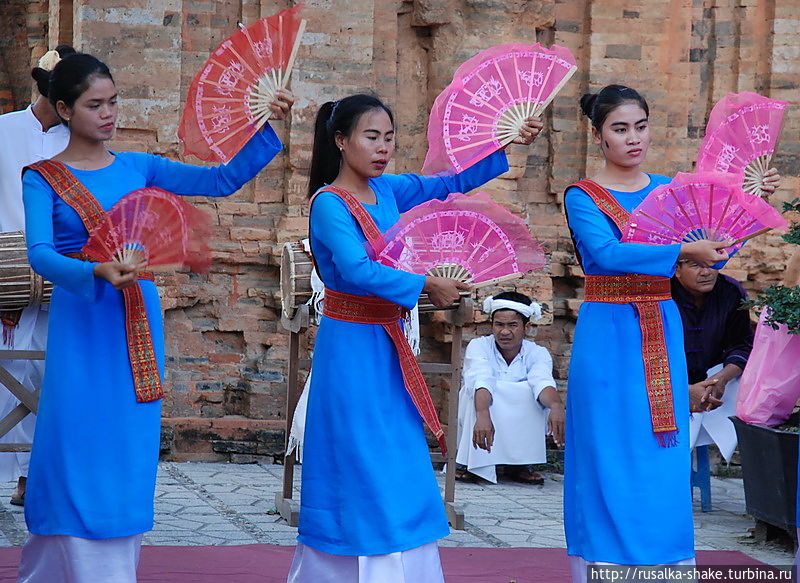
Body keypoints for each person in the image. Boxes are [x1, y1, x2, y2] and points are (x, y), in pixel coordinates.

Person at [17, 52, 293, 583]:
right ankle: (59, 557)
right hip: (84, 313)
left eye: (113, 101)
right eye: (94, 104)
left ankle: (115, 557)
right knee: (74, 429)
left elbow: (221, 181)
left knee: (128, 433)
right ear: (64, 109)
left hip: (136, 316)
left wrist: (267, 124)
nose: (108, 113)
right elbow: (40, 254)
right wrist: (97, 270)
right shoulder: (43, 177)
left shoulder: (138, 166)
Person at [288, 93, 542, 582]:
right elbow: (356, 270)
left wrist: (503, 142)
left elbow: (450, 183)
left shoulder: (392, 191)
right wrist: (425, 284)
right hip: (351, 348)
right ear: (340, 141)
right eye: (370, 136)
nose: (382, 148)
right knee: (358, 458)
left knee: (398, 460)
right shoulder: (328, 204)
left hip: (389, 342)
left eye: (389, 137)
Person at [560, 84, 781, 581]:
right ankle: (603, 564)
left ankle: (664, 562)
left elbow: (715, 251)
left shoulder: (669, 189)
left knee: (661, 447)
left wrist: (748, 204)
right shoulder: (583, 195)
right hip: (609, 331)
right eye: (619, 129)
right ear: (598, 136)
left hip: (661, 323)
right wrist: (684, 252)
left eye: (640, 126)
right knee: (608, 446)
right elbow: (605, 255)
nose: (633, 138)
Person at [0, 45, 75, 506]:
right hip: (5, 270)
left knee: (51, 368)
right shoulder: (4, 132)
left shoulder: (80, 143)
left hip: (59, 272)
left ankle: (35, 474)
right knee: (10, 369)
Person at [455, 291, 564, 485]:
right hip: (484, 407)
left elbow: (542, 381)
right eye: (499, 324)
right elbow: (481, 378)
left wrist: (556, 406)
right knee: (478, 392)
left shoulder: (537, 353)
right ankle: (472, 464)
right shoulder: (478, 346)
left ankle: (519, 465)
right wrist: (482, 413)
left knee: (533, 393)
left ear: (526, 327)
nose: (505, 332)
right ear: (492, 326)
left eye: (512, 325)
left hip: (516, 413)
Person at [672, 260, 754, 461]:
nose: (706, 272)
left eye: (712, 264)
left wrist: (721, 378)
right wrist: (684, 389)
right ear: (677, 270)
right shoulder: (660, 294)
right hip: (666, 382)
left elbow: (742, 344)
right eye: (696, 265)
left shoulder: (731, 291)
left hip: (714, 382)